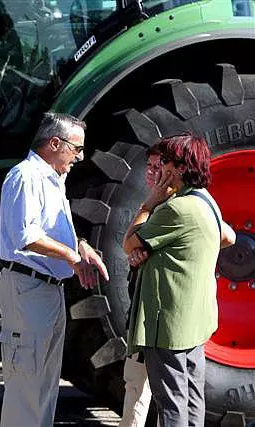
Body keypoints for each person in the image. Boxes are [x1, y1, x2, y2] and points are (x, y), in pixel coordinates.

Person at [0, 111, 109, 427]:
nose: (81, 156)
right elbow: (27, 236)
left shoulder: (51, 178)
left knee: (43, 387)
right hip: (29, 288)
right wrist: (73, 259)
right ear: (54, 143)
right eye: (77, 148)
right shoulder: (26, 176)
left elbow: (50, 230)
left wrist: (80, 245)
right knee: (27, 388)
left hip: (44, 289)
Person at [122, 134, 235, 427]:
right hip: (195, 322)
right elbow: (225, 236)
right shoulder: (205, 200)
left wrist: (148, 204)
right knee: (193, 395)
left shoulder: (175, 208)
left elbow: (128, 244)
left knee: (170, 402)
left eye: (164, 163)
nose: (158, 170)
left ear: (180, 168)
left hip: (168, 325)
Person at [119, 146, 162, 427]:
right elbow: (132, 248)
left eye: (159, 168)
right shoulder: (151, 206)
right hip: (142, 313)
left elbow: (129, 242)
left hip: (160, 317)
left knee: (163, 393)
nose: (151, 173)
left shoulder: (171, 208)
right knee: (135, 385)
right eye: (149, 166)